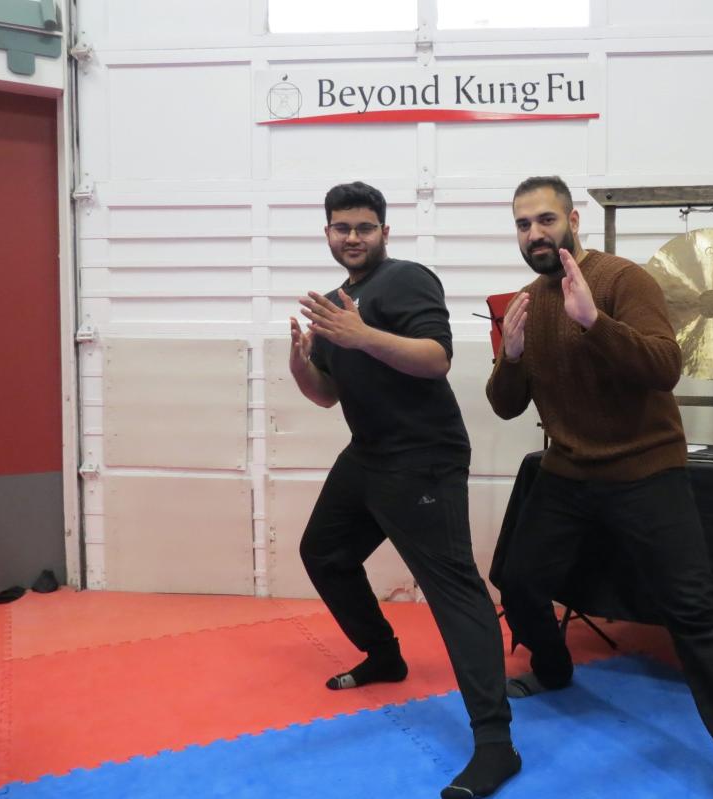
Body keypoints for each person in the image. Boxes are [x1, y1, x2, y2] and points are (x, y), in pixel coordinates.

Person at [485, 175, 713, 799]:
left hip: (645, 470)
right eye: (523, 224)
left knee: (695, 616)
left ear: (573, 220)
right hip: (568, 471)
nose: (535, 234)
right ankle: (553, 668)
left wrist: (594, 322)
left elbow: (664, 366)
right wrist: (510, 357)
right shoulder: (527, 301)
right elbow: (506, 406)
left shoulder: (623, 281)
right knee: (517, 581)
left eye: (545, 220)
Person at [291, 181, 520, 799]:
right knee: (325, 553)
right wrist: (301, 366)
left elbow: (435, 357)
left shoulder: (406, 280)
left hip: (423, 457)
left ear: (384, 232)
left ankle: (496, 744)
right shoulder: (335, 304)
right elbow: (328, 394)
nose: (353, 237)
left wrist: (360, 334)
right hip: (368, 454)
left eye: (365, 227)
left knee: (453, 590)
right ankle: (385, 656)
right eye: (342, 227)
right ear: (328, 232)